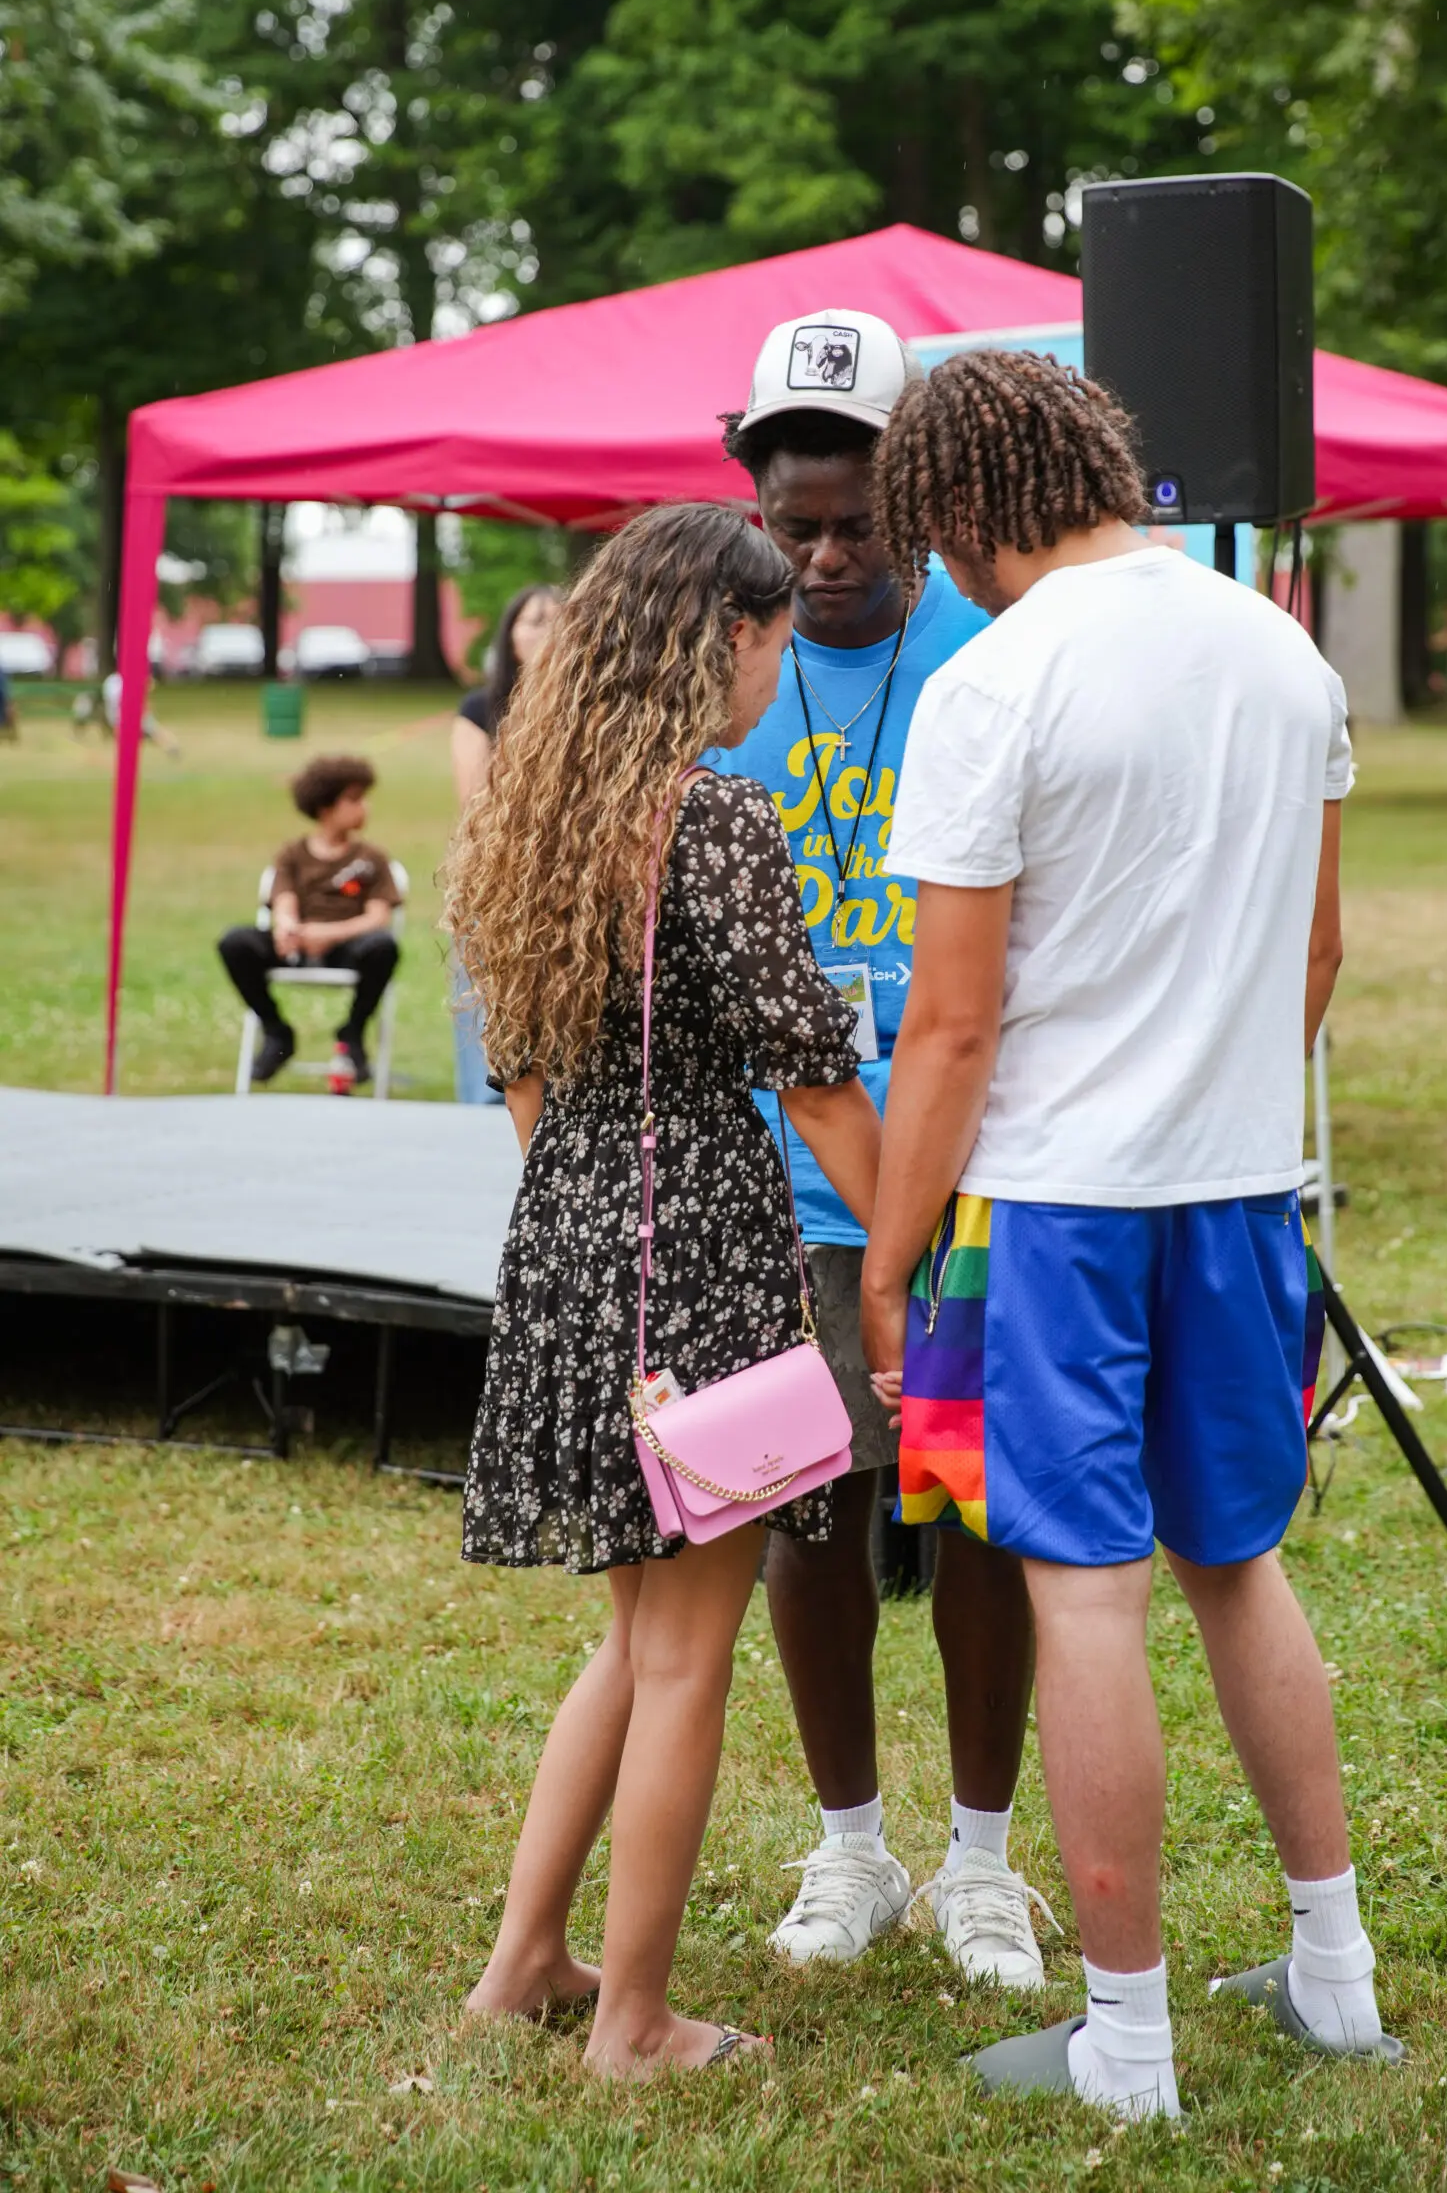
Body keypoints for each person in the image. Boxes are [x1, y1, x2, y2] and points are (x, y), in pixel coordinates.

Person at [860, 352, 1397, 2121]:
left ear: (952, 509)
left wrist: (887, 1249)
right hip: (1242, 1195)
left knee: (1081, 1596)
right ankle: (1334, 1979)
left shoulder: (990, 684)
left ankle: (1131, 2047)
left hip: (1047, 1214)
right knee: (1238, 1563)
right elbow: (1315, 959)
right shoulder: (1281, 648)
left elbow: (945, 1031)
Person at [445, 503, 883, 2078]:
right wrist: (889, 1261)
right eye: (774, 638)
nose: (783, 664)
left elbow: (514, 1067)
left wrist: (587, 1193)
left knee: (631, 1644)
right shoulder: (709, 819)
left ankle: (525, 1966)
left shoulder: (530, 812)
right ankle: (631, 2020)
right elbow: (817, 1080)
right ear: (729, 639)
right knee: (689, 1650)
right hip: (686, 1252)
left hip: (567, 1231)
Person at [711, 308, 1046, 1988]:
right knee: (804, 1516)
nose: (827, 557)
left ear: (916, 505)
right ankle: (851, 1847)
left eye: (857, 522)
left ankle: (982, 1865)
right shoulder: (720, 677)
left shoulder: (996, 656)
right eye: (797, 527)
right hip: (777, 1189)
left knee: (980, 1509)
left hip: (973, 1172)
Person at [218, 754, 401, 1091]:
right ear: (325, 806)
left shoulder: (371, 859)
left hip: (347, 946)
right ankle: (275, 1029)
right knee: (235, 943)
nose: (364, 808)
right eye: (354, 799)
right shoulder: (293, 855)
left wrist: (328, 934)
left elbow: (378, 916)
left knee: (383, 947)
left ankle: (353, 1031)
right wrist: (288, 927)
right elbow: (283, 901)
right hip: (297, 944)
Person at [449, 582, 561, 1104]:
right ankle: (484, 1099)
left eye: (558, 619)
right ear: (509, 633)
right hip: (500, 870)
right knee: (487, 989)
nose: (546, 630)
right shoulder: (480, 709)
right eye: (533, 619)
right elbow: (475, 801)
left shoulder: (586, 708)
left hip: (566, 871)